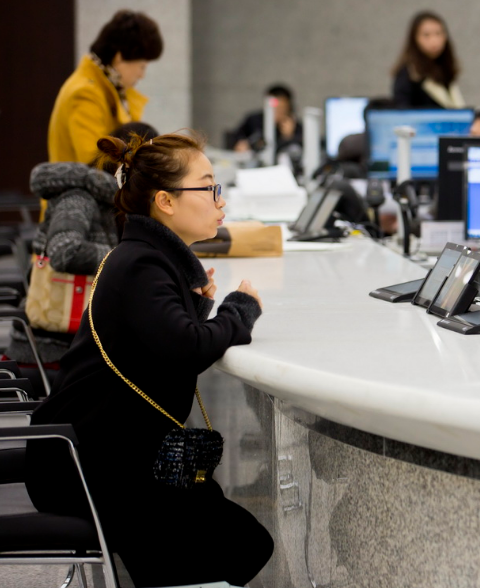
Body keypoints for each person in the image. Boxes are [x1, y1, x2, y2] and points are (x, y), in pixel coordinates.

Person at [26, 131, 274, 586]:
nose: (220, 200)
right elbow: (186, 347)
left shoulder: (145, 257)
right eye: (209, 187)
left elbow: (157, 346)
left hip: (116, 453)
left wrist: (197, 306)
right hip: (90, 464)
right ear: (165, 201)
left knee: (238, 542)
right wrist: (239, 309)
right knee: (236, 544)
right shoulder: (143, 263)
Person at [4, 122, 159, 373]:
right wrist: (128, 258)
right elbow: (65, 252)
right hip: (52, 349)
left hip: (85, 342)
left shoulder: (116, 201)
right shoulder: (79, 197)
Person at [47, 10, 163, 164]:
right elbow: (95, 163)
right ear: (119, 57)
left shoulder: (109, 89)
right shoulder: (86, 93)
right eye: (142, 66)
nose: (142, 75)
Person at [391, 11, 464, 109]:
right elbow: (402, 112)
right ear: (415, 38)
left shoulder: (445, 70)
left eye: (438, 33)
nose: (434, 40)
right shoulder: (408, 75)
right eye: (426, 35)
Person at [231, 83, 303, 154]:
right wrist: (241, 143)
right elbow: (236, 136)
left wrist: (289, 138)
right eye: (274, 109)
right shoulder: (254, 120)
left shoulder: (296, 128)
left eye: (281, 109)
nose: (277, 113)